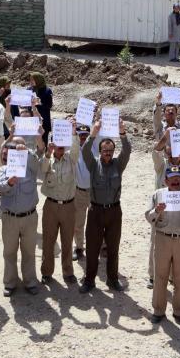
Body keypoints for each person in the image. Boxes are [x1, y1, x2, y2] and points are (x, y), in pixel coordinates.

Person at [80, 118, 131, 293]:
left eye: (110, 150)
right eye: (105, 150)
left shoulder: (119, 164)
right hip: (95, 211)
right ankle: (89, 280)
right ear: (100, 151)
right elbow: (85, 149)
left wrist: (122, 132)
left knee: (113, 248)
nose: (107, 153)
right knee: (92, 248)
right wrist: (93, 133)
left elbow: (128, 150)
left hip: (114, 212)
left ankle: (112, 279)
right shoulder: (93, 164)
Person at [146, 165, 180, 323]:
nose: (176, 181)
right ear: (165, 181)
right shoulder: (158, 195)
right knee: (160, 276)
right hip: (162, 238)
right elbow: (149, 218)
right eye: (172, 178)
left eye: (179, 177)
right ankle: (158, 310)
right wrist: (157, 211)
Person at [0, 138, 42, 296]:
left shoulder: (30, 168)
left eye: (11, 154)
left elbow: (37, 162)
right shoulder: (2, 171)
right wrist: (9, 183)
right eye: (6, 155)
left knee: (29, 251)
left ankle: (30, 281)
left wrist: (27, 151)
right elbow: (0, 189)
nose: (7, 158)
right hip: (10, 218)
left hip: (30, 217)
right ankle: (10, 283)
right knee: (9, 252)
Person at [39, 131, 79, 285]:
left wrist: (73, 133)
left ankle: (68, 272)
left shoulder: (71, 159)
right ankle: (47, 272)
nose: (60, 148)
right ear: (53, 145)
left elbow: (76, 149)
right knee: (48, 240)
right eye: (57, 146)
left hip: (68, 206)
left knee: (67, 240)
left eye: (63, 146)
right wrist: (48, 153)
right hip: (51, 206)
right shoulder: (48, 161)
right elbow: (42, 170)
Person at [73, 124, 92, 262]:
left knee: (96, 222)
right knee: (78, 222)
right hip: (78, 191)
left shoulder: (95, 149)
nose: (83, 138)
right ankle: (79, 247)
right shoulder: (72, 150)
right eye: (81, 135)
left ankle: (99, 247)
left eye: (86, 136)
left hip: (93, 192)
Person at [27, 72, 54, 145]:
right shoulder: (29, 90)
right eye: (30, 80)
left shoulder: (47, 90)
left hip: (43, 121)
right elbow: (25, 104)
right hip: (31, 120)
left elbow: (49, 105)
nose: (31, 82)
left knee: (43, 142)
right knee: (32, 143)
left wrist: (40, 103)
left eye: (33, 80)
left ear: (38, 80)